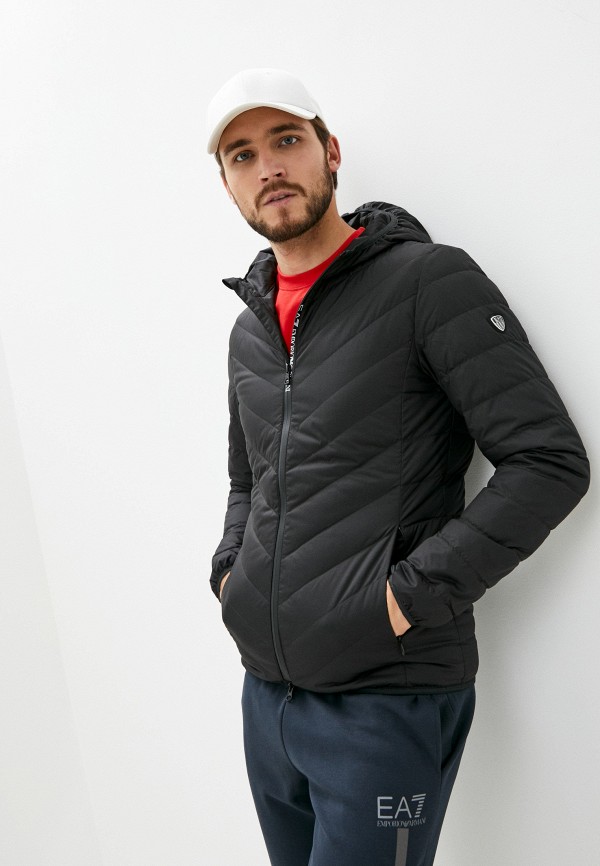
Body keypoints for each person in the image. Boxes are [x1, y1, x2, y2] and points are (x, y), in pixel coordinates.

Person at [206, 68, 590, 866]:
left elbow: (548, 460)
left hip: (385, 701)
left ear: (330, 152)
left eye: (287, 140)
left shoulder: (426, 282)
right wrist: (231, 574)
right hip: (267, 697)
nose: (268, 167)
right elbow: (249, 479)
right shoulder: (250, 330)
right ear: (227, 182)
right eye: (242, 155)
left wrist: (404, 600)